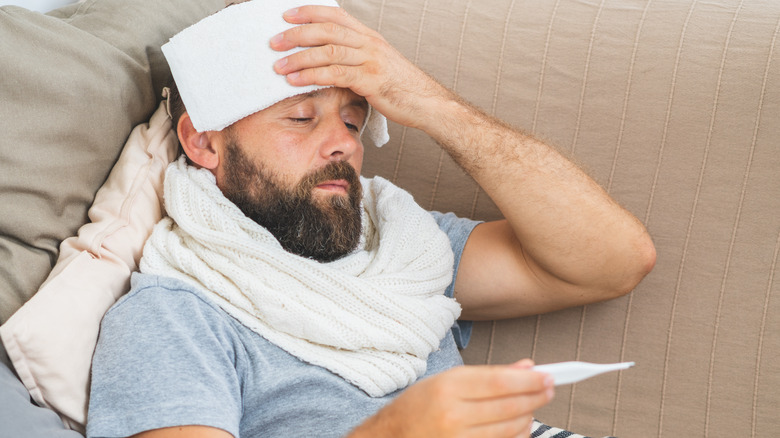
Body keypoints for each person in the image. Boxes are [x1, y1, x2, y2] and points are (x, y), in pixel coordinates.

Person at [85, 2, 656, 438]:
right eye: (302, 118)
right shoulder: (175, 315)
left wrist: (430, 103)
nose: (343, 145)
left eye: (354, 123)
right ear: (204, 143)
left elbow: (612, 262)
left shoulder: (399, 244)